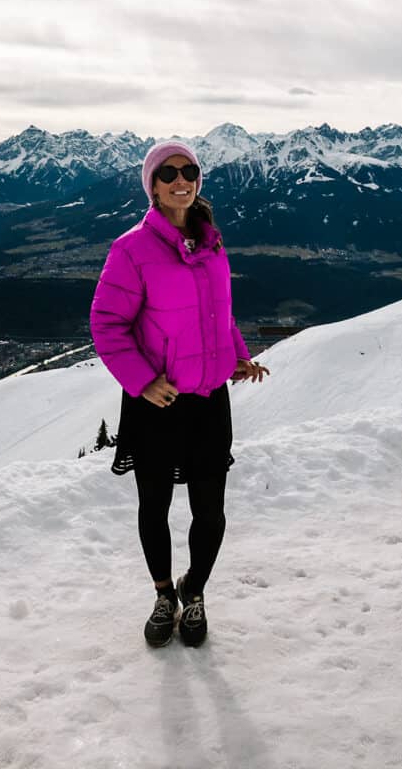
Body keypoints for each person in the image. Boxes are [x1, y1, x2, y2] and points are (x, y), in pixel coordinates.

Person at [89, 139, 269, 647]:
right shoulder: (131, 249)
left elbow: (220, 313)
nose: (180, 180)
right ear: (152, 186)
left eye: (188, 170)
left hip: (210, 398)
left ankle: (196, 592)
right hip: (156, 402)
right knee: (156, 506)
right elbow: (106, 323)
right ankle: (164, 593)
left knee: (210, 509)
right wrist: (143, 381)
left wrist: (237, 356)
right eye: (167, 173)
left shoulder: (210, 241)